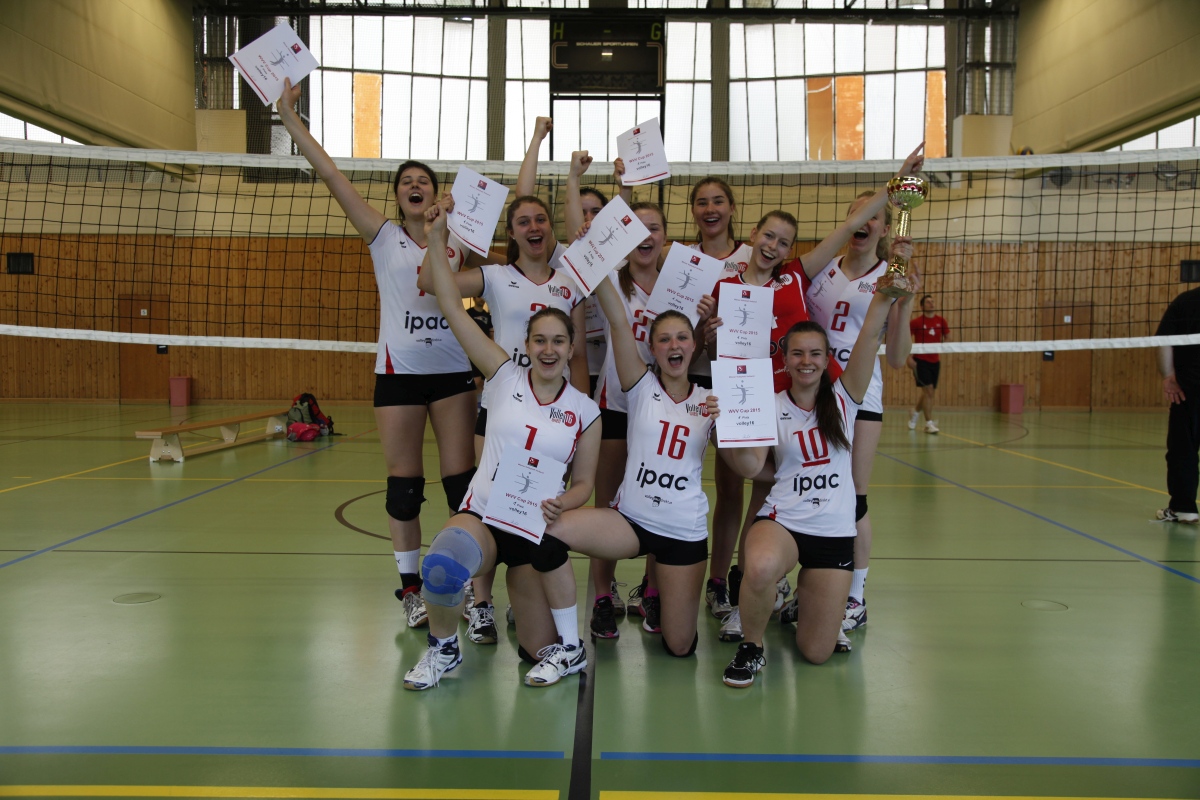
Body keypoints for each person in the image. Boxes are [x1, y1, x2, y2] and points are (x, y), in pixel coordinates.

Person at [276, 78, 477, 631]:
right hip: (399, 376)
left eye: (423, 181)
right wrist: (290, 120)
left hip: (454, 373)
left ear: (436, 194)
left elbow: (517, 232)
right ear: (397, 196)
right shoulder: (382, 235)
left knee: (462, 487)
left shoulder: (458, 238)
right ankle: (411, 591)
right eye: (406, 181)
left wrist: (455, 220)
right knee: (404, 489)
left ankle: (470, 589)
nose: (415, 185)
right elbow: (332, 176)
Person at [404, 196, 601, 691]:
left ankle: (559, 641)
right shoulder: (502, 374)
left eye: (559, 341)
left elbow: (585, 484)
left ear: (572, 347)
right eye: (540, 341)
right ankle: (443, 649)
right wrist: (436, 237)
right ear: (526, 345)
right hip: (487, 514)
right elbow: (449, 304)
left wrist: (564, 503)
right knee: (443, 566)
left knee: (536, 649)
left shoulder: (585, 410)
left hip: (535, 530)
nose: (549, 350)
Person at [719, 287, 909, 688]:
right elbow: (751, 467)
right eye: (798, 353)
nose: (806, 361)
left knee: (816, 652)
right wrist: (728, 432)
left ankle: (801, 604)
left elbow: (869, 336)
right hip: (783, 520)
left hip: (833, 532)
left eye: (815, 354)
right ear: (785, 360)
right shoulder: (769, 404)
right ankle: (752, 647)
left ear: (827, 360)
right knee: (760, 566)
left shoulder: (846, 397)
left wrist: (886, 296)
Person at [535, 270, 718, 662]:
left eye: (682, 337)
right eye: (664, 339)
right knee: (546, 532)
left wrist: (730, 423)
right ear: (651, 348)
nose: (673, 345)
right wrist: (597, 261)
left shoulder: (710, 400)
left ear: (694, 345)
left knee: (679, 646)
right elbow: (618, 320)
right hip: (631, 521)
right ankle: (566, 638)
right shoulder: (641, 385)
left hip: (683, 531)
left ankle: (660, 595)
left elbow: (746, 465)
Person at [801, 144, 925, 634]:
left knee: (853, 497)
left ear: (885, 227)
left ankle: (855, 595)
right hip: (809, 396)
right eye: (858, 214)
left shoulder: (888, 276)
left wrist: (905, 302)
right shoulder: (821, 271)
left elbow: (896, 358)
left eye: (873, 216)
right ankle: (813, 587)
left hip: (861, 399)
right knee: (810, 492)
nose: (864, 222)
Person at [585, 198, 671, 639]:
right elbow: (587, 248)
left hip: (662, 411)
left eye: (653, 227)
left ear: (664, 237)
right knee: (607, 504)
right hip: (616, 404)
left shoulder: (680, 286)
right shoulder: (612, 280)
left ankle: (652, 592)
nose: (645, 235)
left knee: (659, 502)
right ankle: (603, 595)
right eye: (635, 227)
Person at [1156, 286, 1200, 524]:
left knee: (1183, 448)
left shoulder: (1185, 301)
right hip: (1188, 389)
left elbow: (1164, 341)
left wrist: (1168, 375)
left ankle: (1184, 508)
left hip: (1189, 389)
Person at [907, 294, 950, 434]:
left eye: (932, 301)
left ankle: (915, 412)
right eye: (928, 302)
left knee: (928, 392)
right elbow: (906, 340)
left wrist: (944, 347)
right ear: (922, 306)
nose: (931, 304)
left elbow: (947, 337)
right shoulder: (916, 322)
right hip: (920, 361)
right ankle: (928, 423)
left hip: (935, 361)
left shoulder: (941, 321)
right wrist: (908, 357)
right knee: (929, 391)